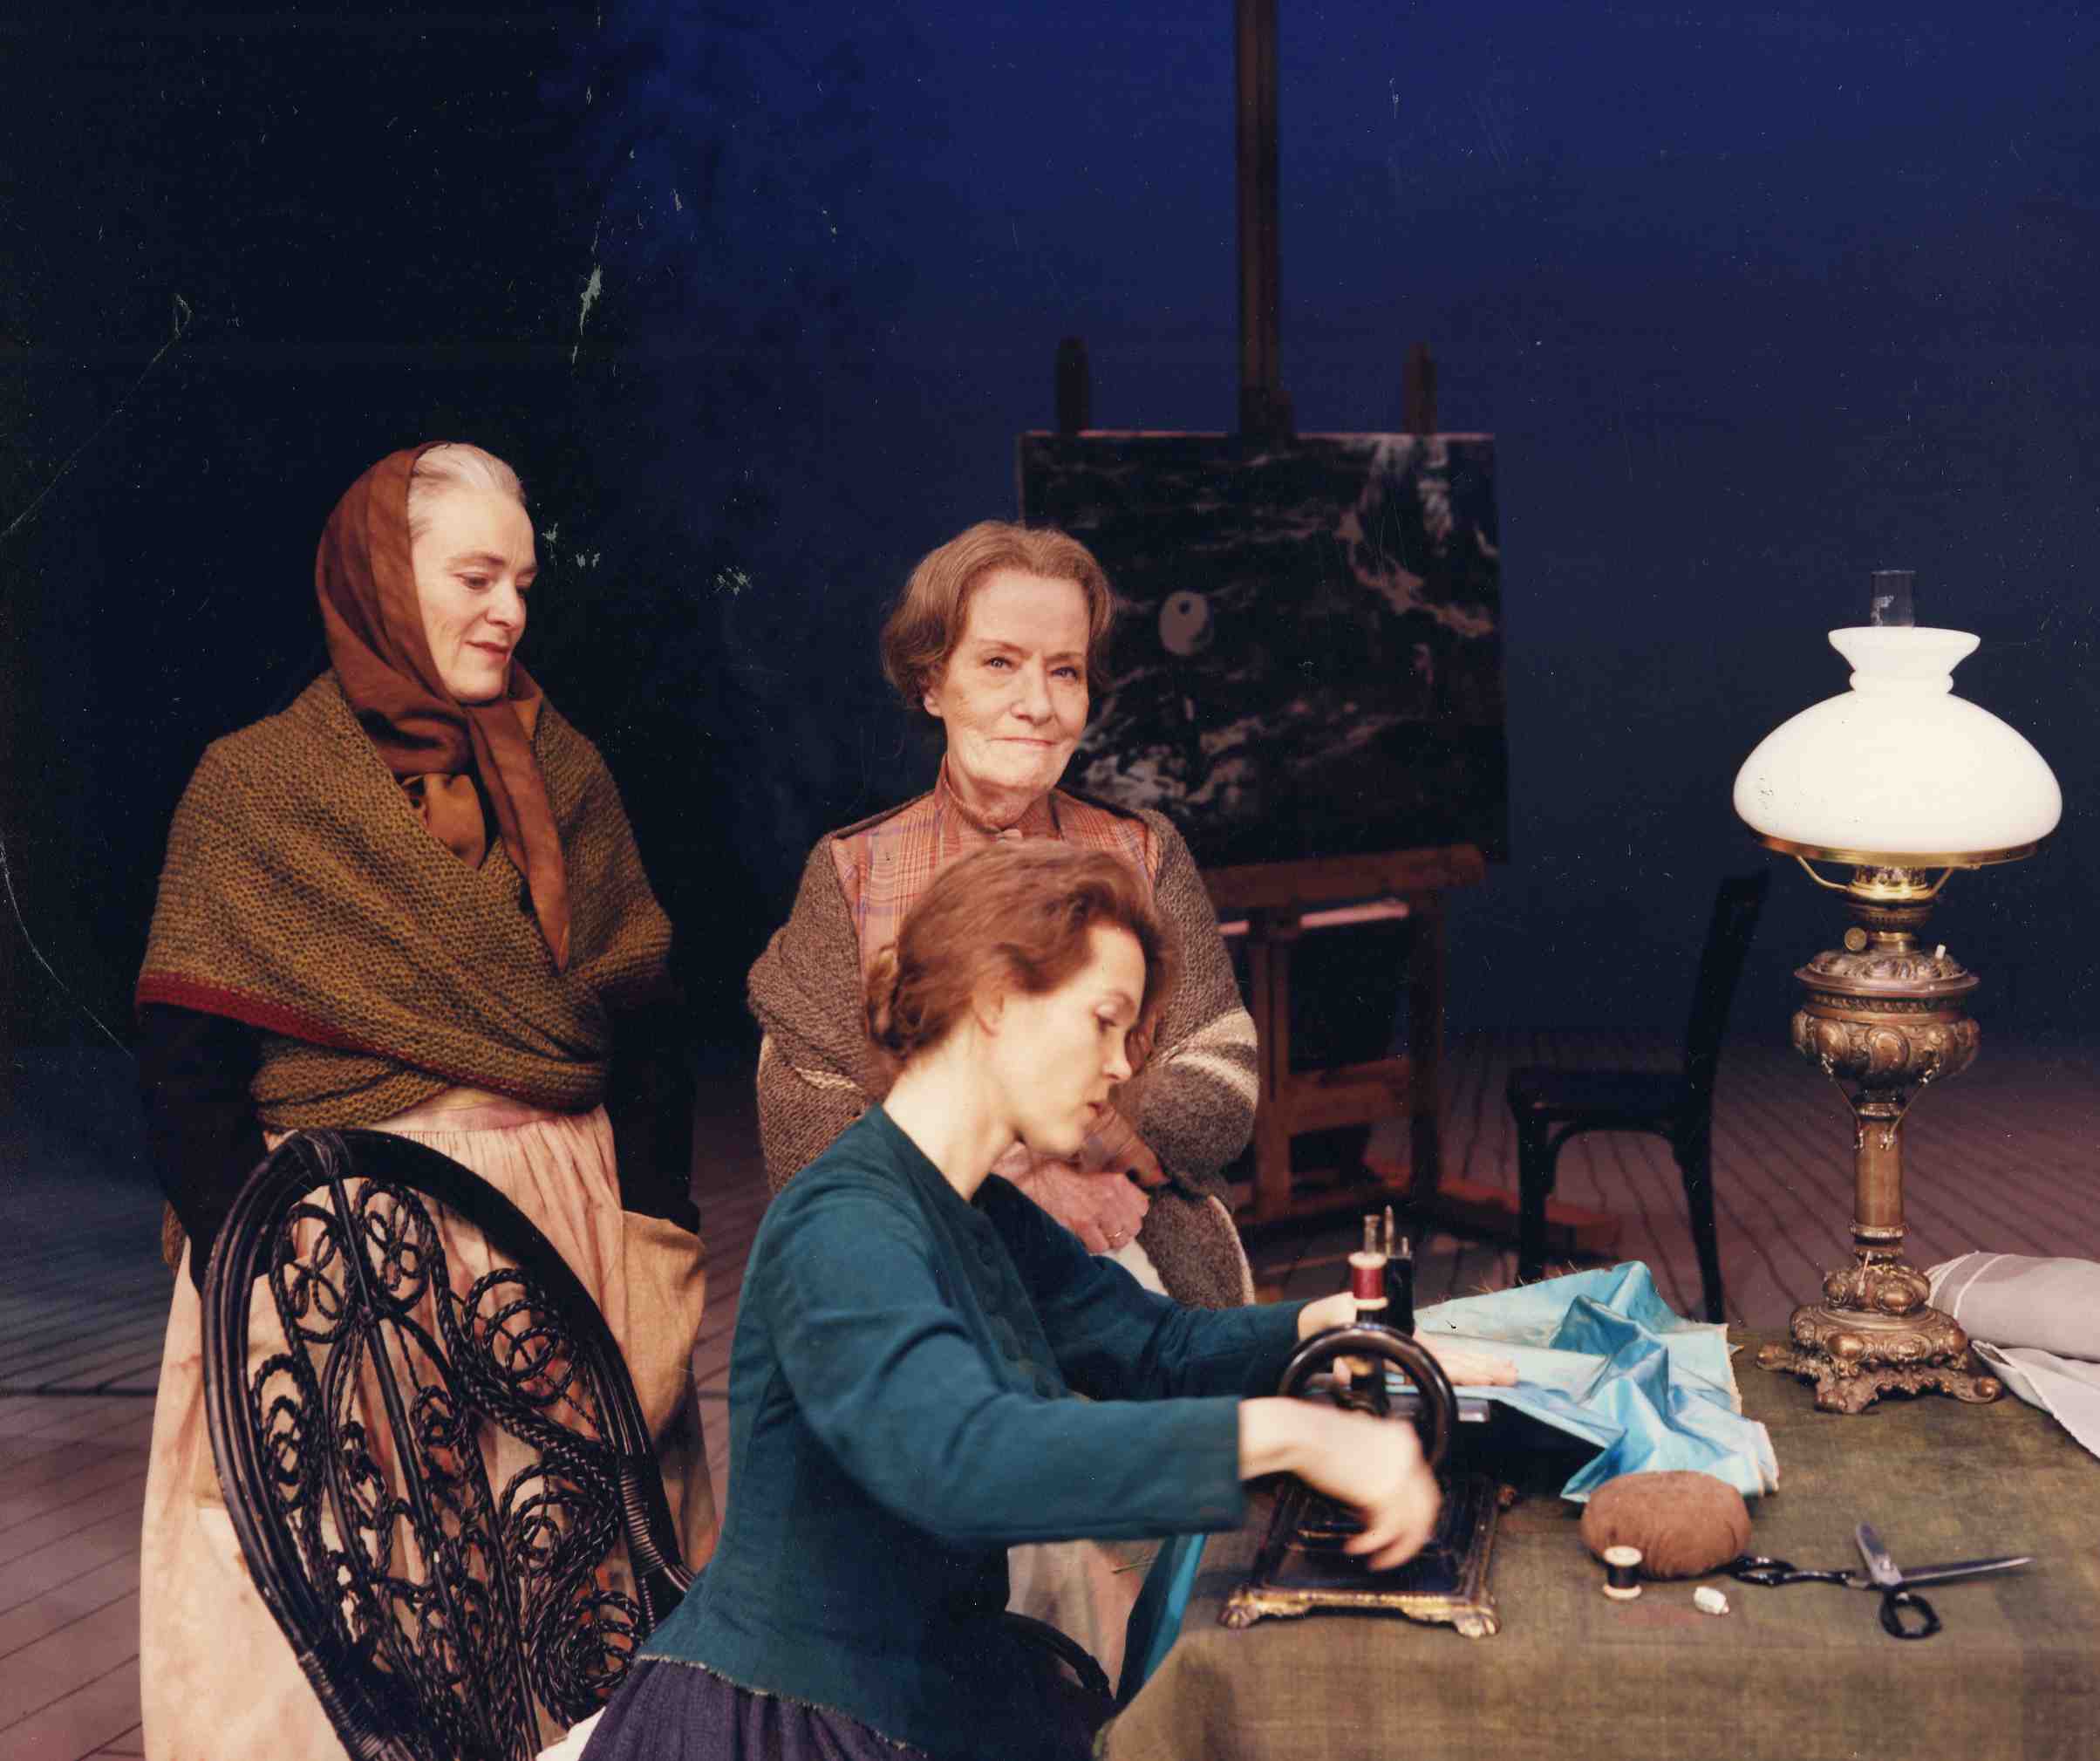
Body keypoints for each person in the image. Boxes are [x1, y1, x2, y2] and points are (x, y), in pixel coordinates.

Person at [566, 841, 1514, 1761]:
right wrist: (1292, 1434)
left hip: (919, 1691)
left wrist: (1326, 1328)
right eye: (1103, 1021)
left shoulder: (973, 1206)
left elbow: (1154, 1347)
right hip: (790, 1722)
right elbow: (962, 1457)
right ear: (993, 1001)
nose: (1122, 1066)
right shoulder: (843, 1224)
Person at [133, 442, 714, 1761]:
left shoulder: (565, 772)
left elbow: (646, 1028)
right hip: (334, 1250)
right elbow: (185, 1070)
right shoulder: (258, 786)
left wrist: (654, 1242)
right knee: (353, 1592)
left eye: (523, 583)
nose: (508, 610)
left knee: (572, 1591)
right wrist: (271, 1277)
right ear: (383, 581)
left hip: (558, 1243)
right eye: (474, 577)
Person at [746, 519, 1263, 1674]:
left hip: (1135, 1261)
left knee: (1163, 1609)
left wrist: (1102, 1133)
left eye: (1064, 670)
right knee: (994, 1605)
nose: (1036, 701)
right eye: (998, 662)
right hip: (932, 1294)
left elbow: (1220, 1076)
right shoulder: (852, 873)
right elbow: (806, 1120)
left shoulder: (1141, 853)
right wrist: (1029, 1191)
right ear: (930, 680)